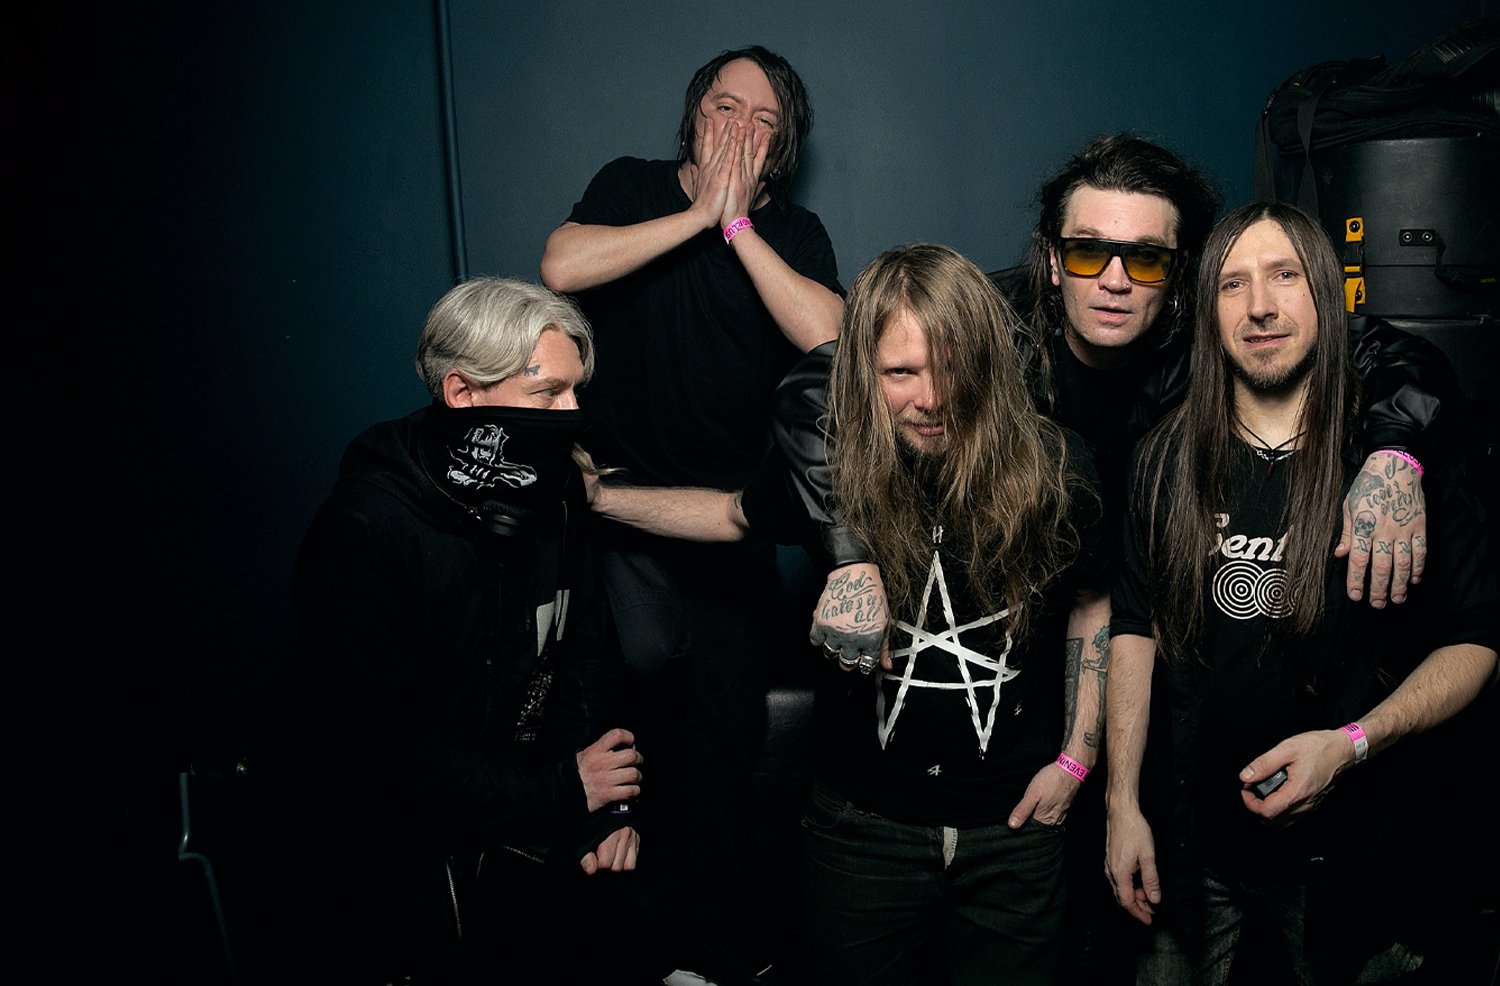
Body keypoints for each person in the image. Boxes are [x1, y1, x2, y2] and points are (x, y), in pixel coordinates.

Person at [782, 135, 1454, 985]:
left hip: (1167, 694)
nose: (1112, 279)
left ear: (1180, 274)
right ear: (1051, 260)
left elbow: (1389, 354)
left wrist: (1395, 452)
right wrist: (848, 554)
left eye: (1144, 258)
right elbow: (820, 385)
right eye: (1088, 250)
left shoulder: (1211, 334)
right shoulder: (985, 321)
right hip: (1003, 711)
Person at [596, 243, 1114, 984]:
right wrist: (602, 499)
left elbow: (1093, 604)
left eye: (952, 368)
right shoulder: (830, 472)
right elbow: (731, 514)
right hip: (862, 833)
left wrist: (1076, 759)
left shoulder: (1062, 467)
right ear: (863, 374)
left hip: (1015, 830)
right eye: (901, 373)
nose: (931, 399)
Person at [1103, 202, 1499, 984]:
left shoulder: (1394, 466)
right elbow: (1134, 627)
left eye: (1284, 275)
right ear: (1208, 310)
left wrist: (1353, 745)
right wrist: (1121, 805)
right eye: (1233, 284)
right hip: (1190, 851)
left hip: (1354, 858)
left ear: (1325, 291)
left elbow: (1478, 639)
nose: (1259, 306)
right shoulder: (1163, 458)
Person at [540, 44, 843, 980]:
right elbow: (561, 265)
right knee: (633, 676)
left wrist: (737, 225)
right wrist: (694, 216)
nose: (740, 127)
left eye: (763, 119)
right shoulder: (631, 185)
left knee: (723, 738)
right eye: (724, 106)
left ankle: (702, 958)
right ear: (693, 114)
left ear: (783, 144)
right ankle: (623, 940)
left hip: (726, 520)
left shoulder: (794, 231)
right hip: (614, 503)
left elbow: (833, 336)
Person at [260, 278, 652, 984]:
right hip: (376, 887)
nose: (573, 415)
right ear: (463, 393)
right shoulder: (366, 531)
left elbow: (582, 652)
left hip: (510, 859)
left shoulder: (556, 492)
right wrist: (566, 792)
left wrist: (602, 807)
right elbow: (386, 760)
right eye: (548, 394)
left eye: (576, 392)